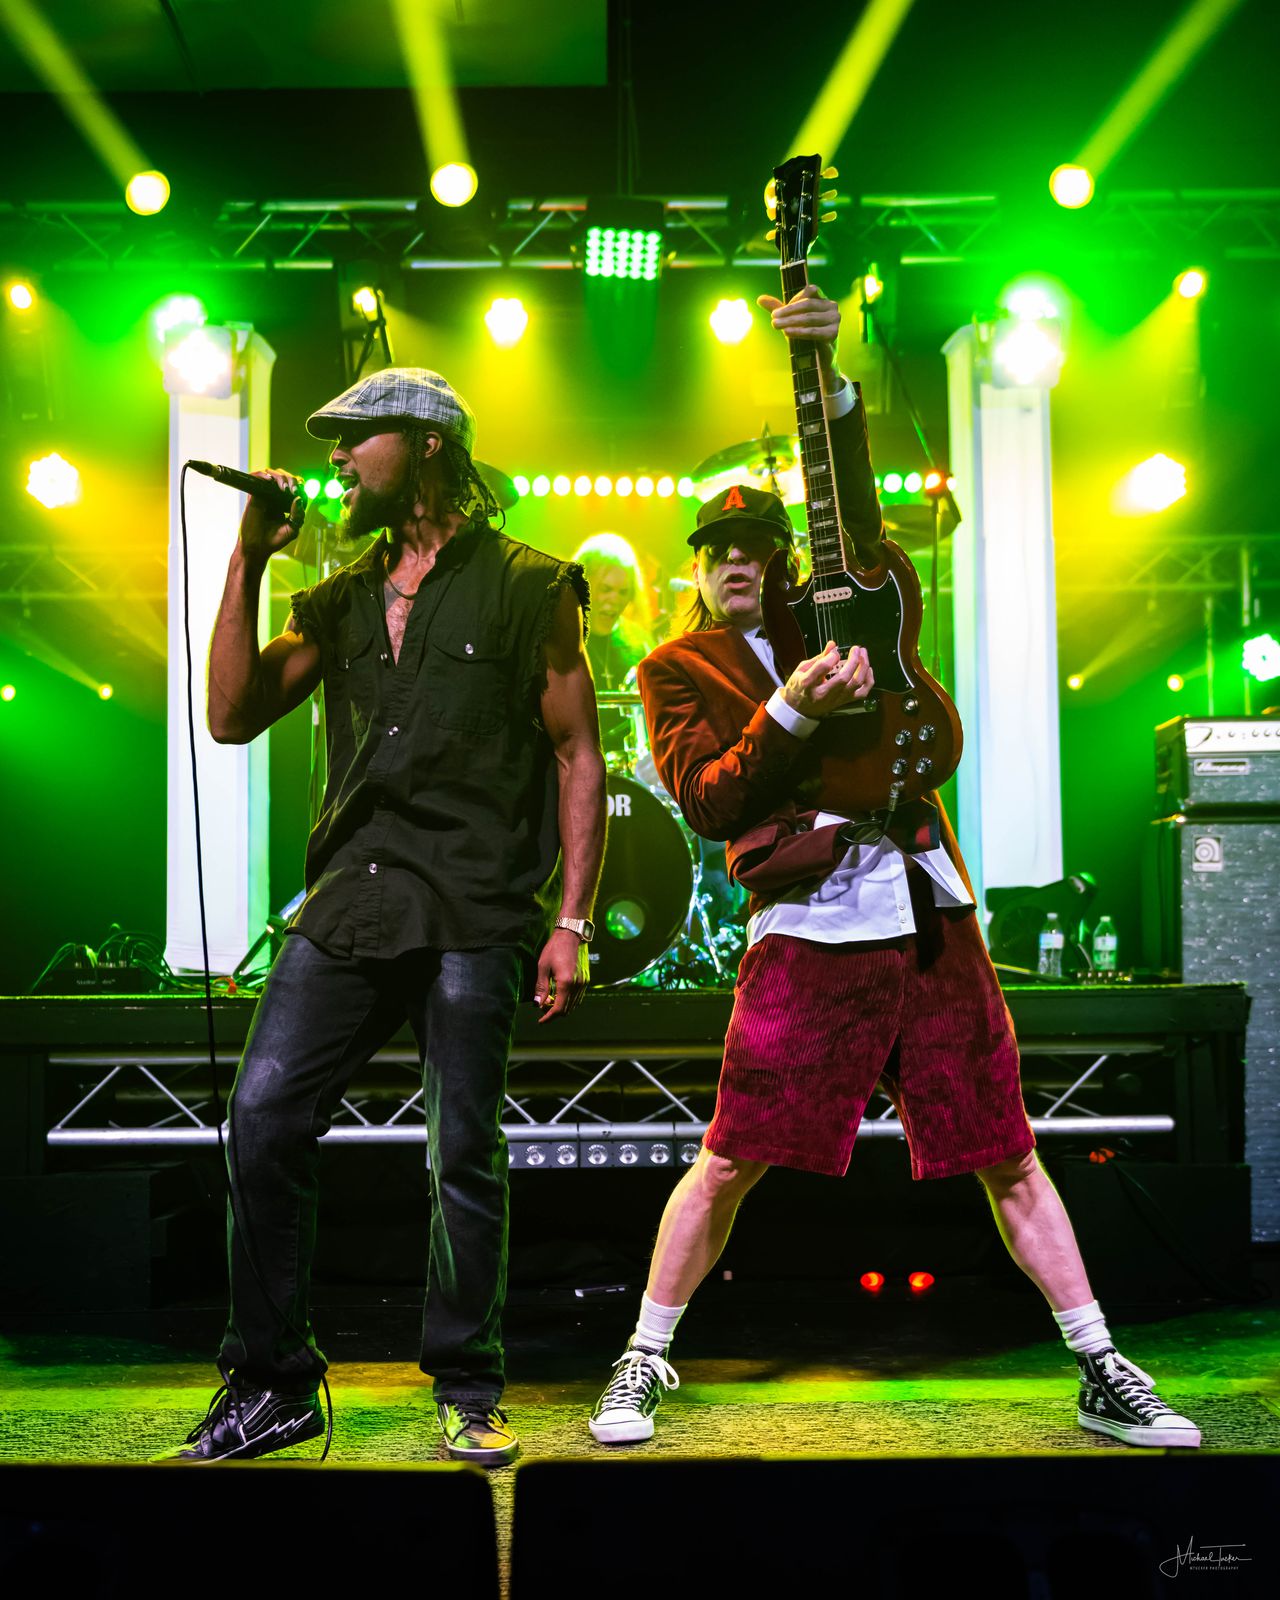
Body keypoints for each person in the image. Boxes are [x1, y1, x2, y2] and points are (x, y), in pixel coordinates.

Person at [586, 287, 1201, 1453]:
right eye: (715, 551)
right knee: (728, 1156)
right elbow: (708, 798)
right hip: (806, 920)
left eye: (754, 547)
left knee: (1006, 1150)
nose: (735, 562)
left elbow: (854, 509)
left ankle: (1097, 1361)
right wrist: (786, 709)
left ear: (782, 558)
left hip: (926, 906)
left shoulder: (841, 608)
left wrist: (829, 378)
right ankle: (644, 1356)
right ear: (695, 569)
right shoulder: (676, 668)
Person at [164, 367, 606, 1468]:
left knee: (462, 1151)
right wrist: (248, 559)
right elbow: (230, 714)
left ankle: (467, 1382)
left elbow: (576, 751)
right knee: (260, 1117)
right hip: (353, 896)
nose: (335, 459)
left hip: (475, 902)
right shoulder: (342, 596)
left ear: (424, 444)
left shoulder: (529, 584)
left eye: (355, 437)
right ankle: (272, 1382)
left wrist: (573, 920)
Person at [572, 532, 654, 763]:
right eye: (605, 589)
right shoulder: (558, 638)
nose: (614, 599)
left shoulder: (639, 642)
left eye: (623, 592)